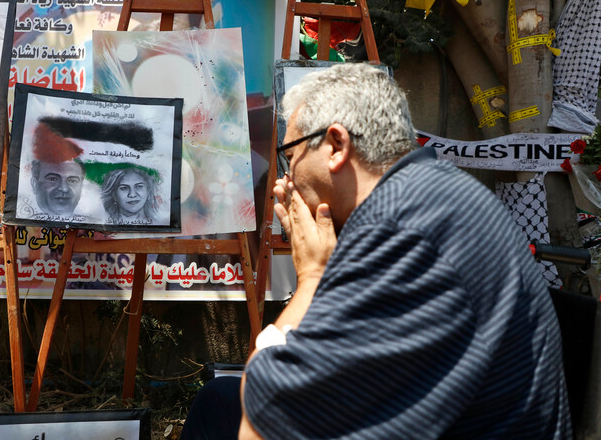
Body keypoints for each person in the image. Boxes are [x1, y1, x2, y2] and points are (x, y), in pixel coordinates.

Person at [181, 63, 570, 439]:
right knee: (218, 400)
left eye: (291, 154)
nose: (287, 176)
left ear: (336, 146)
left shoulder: (399, 230)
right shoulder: (428, 189)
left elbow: (265, 421)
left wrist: (312, 278)